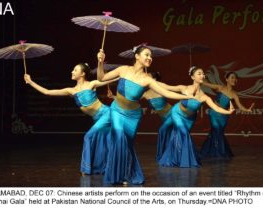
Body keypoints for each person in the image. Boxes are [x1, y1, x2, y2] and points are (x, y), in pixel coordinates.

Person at [97, 46, 192, 185]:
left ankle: (127, 174)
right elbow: (101, 77)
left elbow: (166, 92)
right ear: (136, 56)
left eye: (151, 56)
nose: (149, 58)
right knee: (118, 136)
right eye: (146, 54)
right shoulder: (123, 70)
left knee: (127, 145)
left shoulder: (147, 80)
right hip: (116, 110)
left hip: (133, 116)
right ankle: (116, 174)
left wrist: (185, 96)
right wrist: (100, 62)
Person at [24, 63, 118, 175]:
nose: (72, 72)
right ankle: (108, 169)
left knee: (88, 136)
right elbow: (47, 92)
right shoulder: (71, 90)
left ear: (83, 74)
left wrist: (122, 74)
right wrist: (30, 82)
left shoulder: (92, 84)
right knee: (105, 143)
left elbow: (108, 80)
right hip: (97, 119)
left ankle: (86, 169)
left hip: (106, 114)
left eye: (75, 70)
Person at [157, 66, 235, 168]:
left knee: (180, 136)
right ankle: (185, 161)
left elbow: (216, 108)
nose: (202, 75)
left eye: (203, 74)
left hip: (189, 119)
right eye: (199, 73)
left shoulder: (204, 97)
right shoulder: (184, 88)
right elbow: (167, 87)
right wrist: (151, 82)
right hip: (177, 113)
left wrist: (228, 112)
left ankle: (176, 158)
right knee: (183, 133)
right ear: (192, 77)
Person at [200, 71, 254, 158]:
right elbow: (206, 84)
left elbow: (240, 106)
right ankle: (218, 153)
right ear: (226, 79)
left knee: (217, 132)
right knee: (217, 130)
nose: (234, 79)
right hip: (214, 113)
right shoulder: (220, 87)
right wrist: (202, 77)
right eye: (232, 77)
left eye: (235, 78)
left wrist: (247, 110)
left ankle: (209, 151)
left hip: (224, 116)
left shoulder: (234, 94)